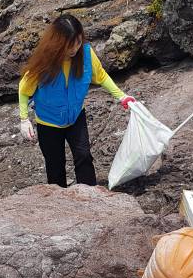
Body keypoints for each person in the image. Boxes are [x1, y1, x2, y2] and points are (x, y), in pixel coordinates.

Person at [19, 14, 136, 188]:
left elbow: (101, 76)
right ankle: (61, 205)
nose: (74, 49)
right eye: (69, 45)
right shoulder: (44, 61)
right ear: (58, 43)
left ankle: (90, 196)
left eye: (78, 42)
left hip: (76, 118)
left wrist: (122, 96)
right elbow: (24, 89)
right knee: (55, 166)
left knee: (84, 157)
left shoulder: (86, 54)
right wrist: (24, 119)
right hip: (48, 123)